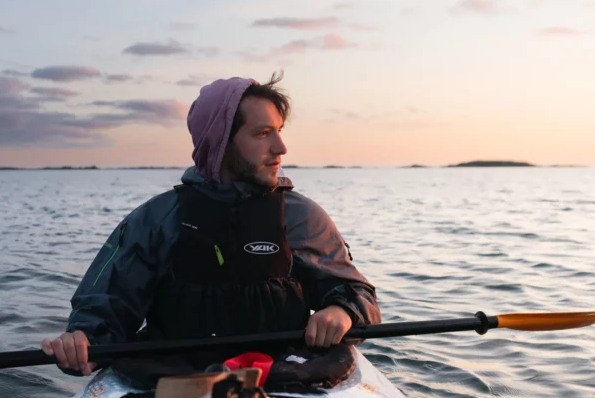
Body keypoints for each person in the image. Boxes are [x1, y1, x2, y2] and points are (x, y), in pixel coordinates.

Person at [42, 73, 381, 376]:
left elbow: (359, 295)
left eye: (278, 131)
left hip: (285, 375)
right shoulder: (154, 220)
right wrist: (82, 341)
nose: (281, 147)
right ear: (220, 142)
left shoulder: (302, 216)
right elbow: (103, 311)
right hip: (174, 381)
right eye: (263, 133)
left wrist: (342, 311)